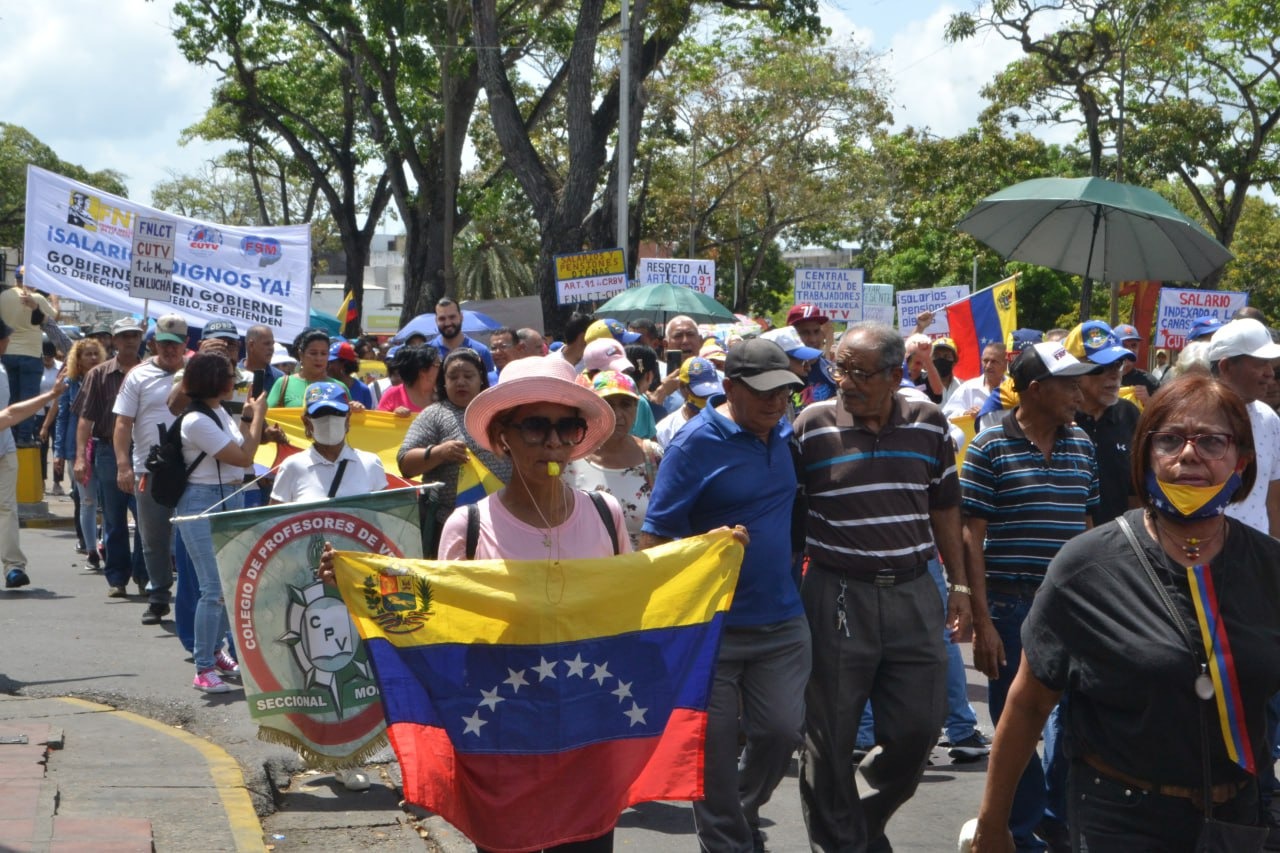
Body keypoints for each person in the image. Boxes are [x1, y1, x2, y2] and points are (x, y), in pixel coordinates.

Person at [971, 373, 1280, 853]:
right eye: (1171, 440)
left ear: (1240, 462)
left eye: (1212, 441)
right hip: (1120, 817)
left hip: (1239, 819)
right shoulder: (1086, 566)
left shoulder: (1270, 568)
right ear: (1146, 456)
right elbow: (1029, 704)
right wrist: (994, 826)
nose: (1190, 454)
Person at [433, 353, 629, 851]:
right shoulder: (469, 527)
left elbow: (634, 612)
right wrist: (362, 585)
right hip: (503, 739)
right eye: (537, 427)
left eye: (569, 427)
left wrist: (710, 556)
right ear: (503, 437)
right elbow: (440, 629)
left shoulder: (607, 516)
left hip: (587, 739)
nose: (555, 442)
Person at [793, 322, 972, 852]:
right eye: (838, 368)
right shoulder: (810, 427)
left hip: (915, 592)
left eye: (859, 372)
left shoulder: (929, 423)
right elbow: (790, 514)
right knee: (828, 740)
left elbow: (945, 506)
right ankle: (842, 843)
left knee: (920, 731)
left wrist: (958, 584)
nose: (844, 381)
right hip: (835, 594)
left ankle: (860, 820)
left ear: (897, 375)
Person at [641, 338, 811, 852]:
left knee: (782, 734)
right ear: (730, 387)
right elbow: (654, 539)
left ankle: (738, 813)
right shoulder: (692, 445)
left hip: (782, 622)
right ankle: (728, 842)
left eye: (785, 391)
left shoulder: (786, 435)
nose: (776, 402)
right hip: (711, 632)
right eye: (763, 392)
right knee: (712, 754)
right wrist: (705, 546)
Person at [962, 341, 1099, 852]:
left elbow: (1088, 528)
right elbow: (971, 536)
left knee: (1075, 724)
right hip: (1010, 604)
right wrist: (982, 619)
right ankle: (1014, 833)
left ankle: (1054, 819)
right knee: (1016, 727)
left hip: (1073, 606)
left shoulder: (1081, 445)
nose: (1078, 393)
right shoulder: (989, 446)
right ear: (1036, 390)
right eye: (1068, 385)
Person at [269, 380, 385, 788]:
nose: (330, 422)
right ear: (307, 422)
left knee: (361, 668)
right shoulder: (292, 468)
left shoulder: (370, 464)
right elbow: (274, 529)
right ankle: (335, 755)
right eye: (321, 416)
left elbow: (380, 525)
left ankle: (355, 747)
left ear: (349, 418)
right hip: (309, 591)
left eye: (337, 414)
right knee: (323, 670)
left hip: (356, 585)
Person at [172, 352, 266, 693]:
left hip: (229, 497)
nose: (235, 379)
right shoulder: (196, 420)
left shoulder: (218, 412)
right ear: (215, 380)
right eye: (229, 374)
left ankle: (215, 650)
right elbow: (244, 457)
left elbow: (239, 446)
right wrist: (258, 417)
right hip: (201, 501)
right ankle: (203, 668)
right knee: (212, 588)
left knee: (228, 585)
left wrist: (246, 417)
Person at [113, 313, 191, 619]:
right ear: (155, 343)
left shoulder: (196, 373)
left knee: (189, 535)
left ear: (186, 344)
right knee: (153, 535)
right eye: (164, 343)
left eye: (176, 344)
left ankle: (191, 596)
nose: (170, 350)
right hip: (150, 468)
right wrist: (123, 465)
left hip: (192, 468)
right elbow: (122, 423)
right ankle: (158, 594)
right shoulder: (138, 376)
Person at [397, 348, 511, 542]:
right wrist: (439, 452)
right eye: (453, 377)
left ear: (481, 379)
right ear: (444, 382)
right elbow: (405, 463)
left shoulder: (500, 414)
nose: (461, 382)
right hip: (447, 524)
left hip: (502, 520)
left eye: (468, 376)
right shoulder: (434, 414)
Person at [74, 317, 146, 597]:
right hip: (106, 451)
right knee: (114, 519)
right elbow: (85, 419)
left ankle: (144, 575)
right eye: (124, 335)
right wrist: (80, 457)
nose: (130, 340)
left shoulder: (151, 371)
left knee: (145, 518)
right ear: (113, 340)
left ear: (141, 339)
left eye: (134, 335)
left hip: (142, 450)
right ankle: (117, 577)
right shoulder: (99, 374)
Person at [1, 321, 68, 589]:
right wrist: (50, 395)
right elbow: (10, 415)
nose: (8, 340)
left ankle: (13, 567)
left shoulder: (3, 370)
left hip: (4, 449)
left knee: (7, 508)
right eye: (6, 336)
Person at [565, 371, 663, 549]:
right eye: (608, 405)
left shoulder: (653, 455)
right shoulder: (569, 458)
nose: (617, 414)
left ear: (637, 408)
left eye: (626, 405)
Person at [1206, 318, 1280, 537]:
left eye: (1270, 364)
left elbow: (1273, 500)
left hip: (1256, 559)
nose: (1270, 373)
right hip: (1200, 558)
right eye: (1260, 363)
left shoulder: (1269, 419)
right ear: (1226, 366)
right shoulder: (1191, 418)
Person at [1064, 321, 1143, 525]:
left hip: (1119, 545)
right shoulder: (1055, 418)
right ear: (1075, 369)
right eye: (1104, 366)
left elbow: (1137, 491)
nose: (1114, 374)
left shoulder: (1130, 415)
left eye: (1118, 365)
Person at [53, 338, 105, 569]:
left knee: (109, 501)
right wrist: (58, 452)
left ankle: (106, 544)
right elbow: (62, 417)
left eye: (96, 353)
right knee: (87, 500)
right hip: (79, 450)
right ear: (78, 359)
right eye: (88, 354)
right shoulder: (70, 382)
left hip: (105, 446)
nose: (93, 358)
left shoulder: (107, 379)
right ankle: (91, 551)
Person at [0, 267, 57, 446]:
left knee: (11, 397)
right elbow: (54, 318)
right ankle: (24, 438)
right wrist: (55, 299)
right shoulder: (37, 299)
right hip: (31, 354)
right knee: (29, 398)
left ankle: (11, 435)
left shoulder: (3, 296)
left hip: (7, 352)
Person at [654, 357, 721, 449]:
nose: (706, 398)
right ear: (682, 387)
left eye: (711, 391)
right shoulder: (665, 429)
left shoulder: (728, 421)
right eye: (701, 392)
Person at [787, 303, 839, 408]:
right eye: (804, 333)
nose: (813, 339)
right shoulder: (780, 372)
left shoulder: (835, 373)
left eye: (816, 331)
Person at [266, 328, 332, 408]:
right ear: (301, 354)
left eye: (323, 353)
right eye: (313, 353)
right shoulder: (283, 383)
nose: (319, 358)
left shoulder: (340, 387)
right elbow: (267, 416)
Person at [431, 298, 496, 377]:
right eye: (442, 319)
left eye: (452, 317)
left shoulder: (481, 352)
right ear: (436, 320)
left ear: (461, 317)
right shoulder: (428, 352)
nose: (447, 323)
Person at [944, 342, 1008, 419]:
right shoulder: (968, 388)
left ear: (1005, 364)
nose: (988, 366)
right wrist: (965, 414)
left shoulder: (1013, 389)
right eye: (985, 361)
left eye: (994, 362)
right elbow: (946, 414)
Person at [376, 345, 440, 416]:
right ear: (423, 371)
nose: (441, 369)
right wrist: (393, 418)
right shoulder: (393, 395)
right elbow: (378, 423)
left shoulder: (445, 395)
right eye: (437, 365)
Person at [1114, 324, 1159, 404]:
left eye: (1134, 345)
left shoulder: (1150, 382)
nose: (1130, 350)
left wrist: (1147, 401)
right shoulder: (1102, 378)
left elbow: (1162, 414)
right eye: (1124, 345)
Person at [326, 341, 373, 408]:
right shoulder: (321, 386)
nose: (327, 366)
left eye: (331, 362)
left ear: (344, 364)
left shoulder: (363, 390)